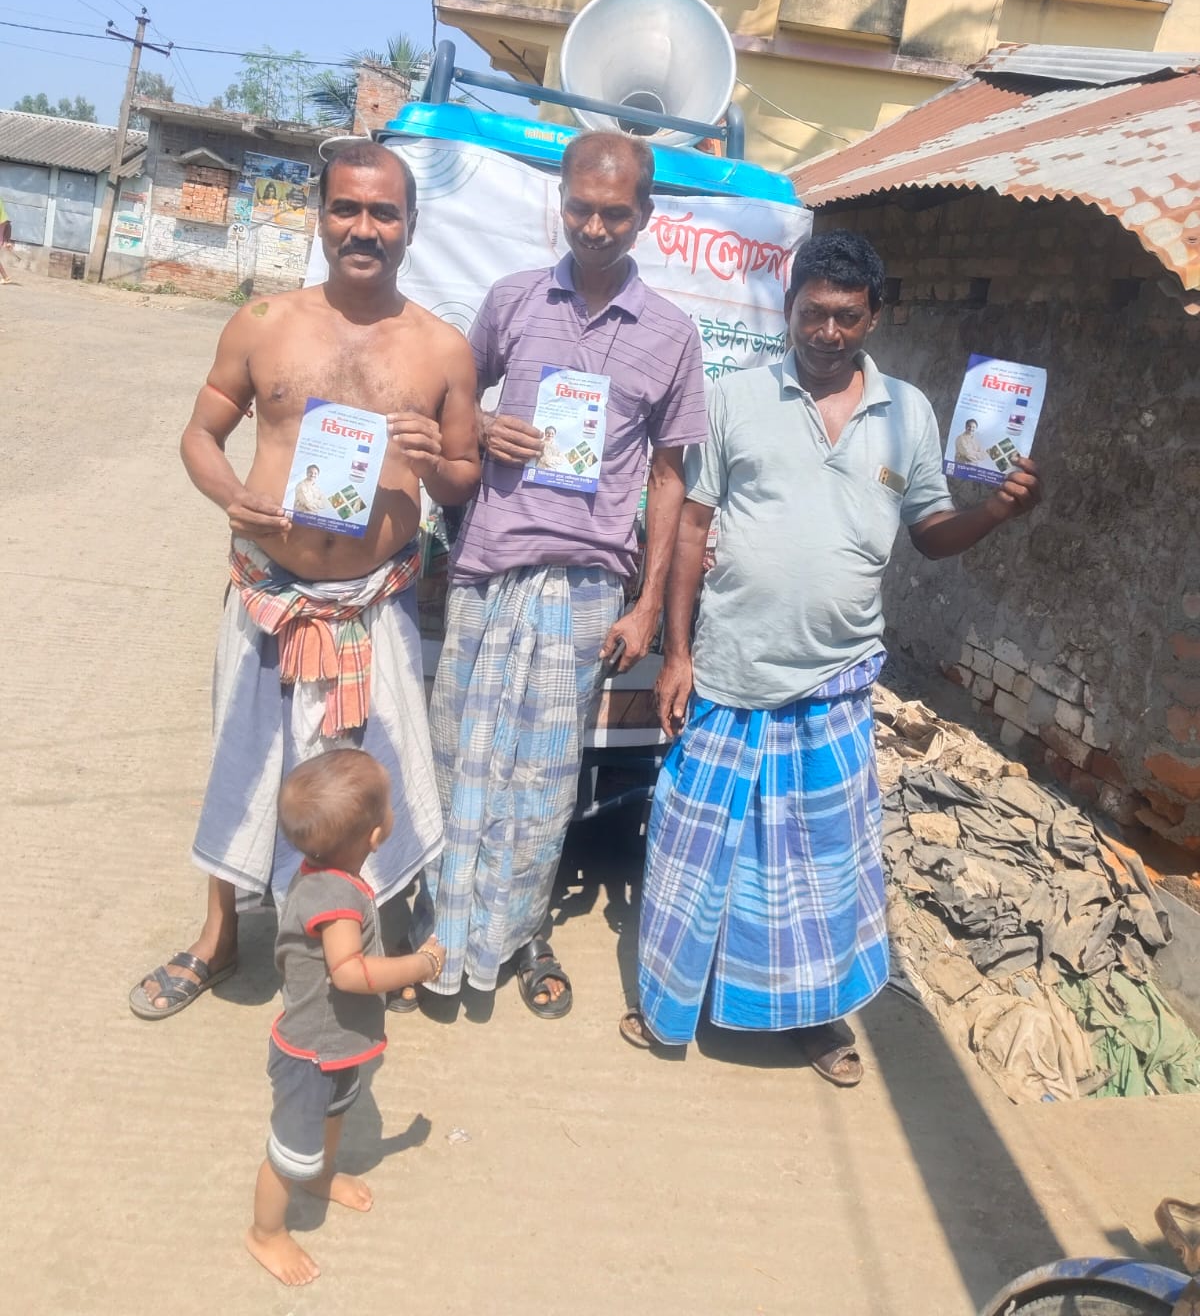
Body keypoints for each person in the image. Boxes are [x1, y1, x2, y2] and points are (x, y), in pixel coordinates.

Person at [622, 230, 1041, 1082]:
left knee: (820, 872)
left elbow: (930, 532)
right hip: (732, 672)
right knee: (696, 852)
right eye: (813, 313)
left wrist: (996, 512)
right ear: (789, 309)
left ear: (874, 317)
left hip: (835, 682)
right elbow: (693, 526)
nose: (827, 332)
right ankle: (672, 999)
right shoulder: (734, 398)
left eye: (847, 316)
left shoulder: (909, 413)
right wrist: (676, 654)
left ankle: (814, 1019)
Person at [129, 139, 481, 1019]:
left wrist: (436, 463)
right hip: (268, 597)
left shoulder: (444, 350)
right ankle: (219, 937)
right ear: (322, 217)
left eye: (384, 212)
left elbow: (463, 479)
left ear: (411, 225)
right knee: (242, 765)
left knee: (366, 777)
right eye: (346, 208)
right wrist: (231, 496)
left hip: (373, 607)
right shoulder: (263, 321)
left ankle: (361, 941)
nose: (364, 228)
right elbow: (201, 434)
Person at [410, 131, 708, 1018]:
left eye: (615, 212)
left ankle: (522, 932)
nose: (594, 226)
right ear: (562, 202)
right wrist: (482, 427)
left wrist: (647, 605)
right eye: (580, 207)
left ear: (645, 215)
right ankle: (438, 933)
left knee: (544, 778)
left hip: (585, 587)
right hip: (490, 567)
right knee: (458, 757)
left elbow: (669, 477)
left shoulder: (672, 334)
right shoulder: (511, 301)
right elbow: (451, 404)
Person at [247, 749, 446, 1286]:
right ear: (376, 836)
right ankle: (265, 1232)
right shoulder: (335, 901)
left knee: (334, 1116)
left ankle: (320, 1175)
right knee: (288, 1153)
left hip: (334, 1047)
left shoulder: (327, 875)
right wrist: (418, 966)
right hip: (308, 1055)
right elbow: (350, 973)